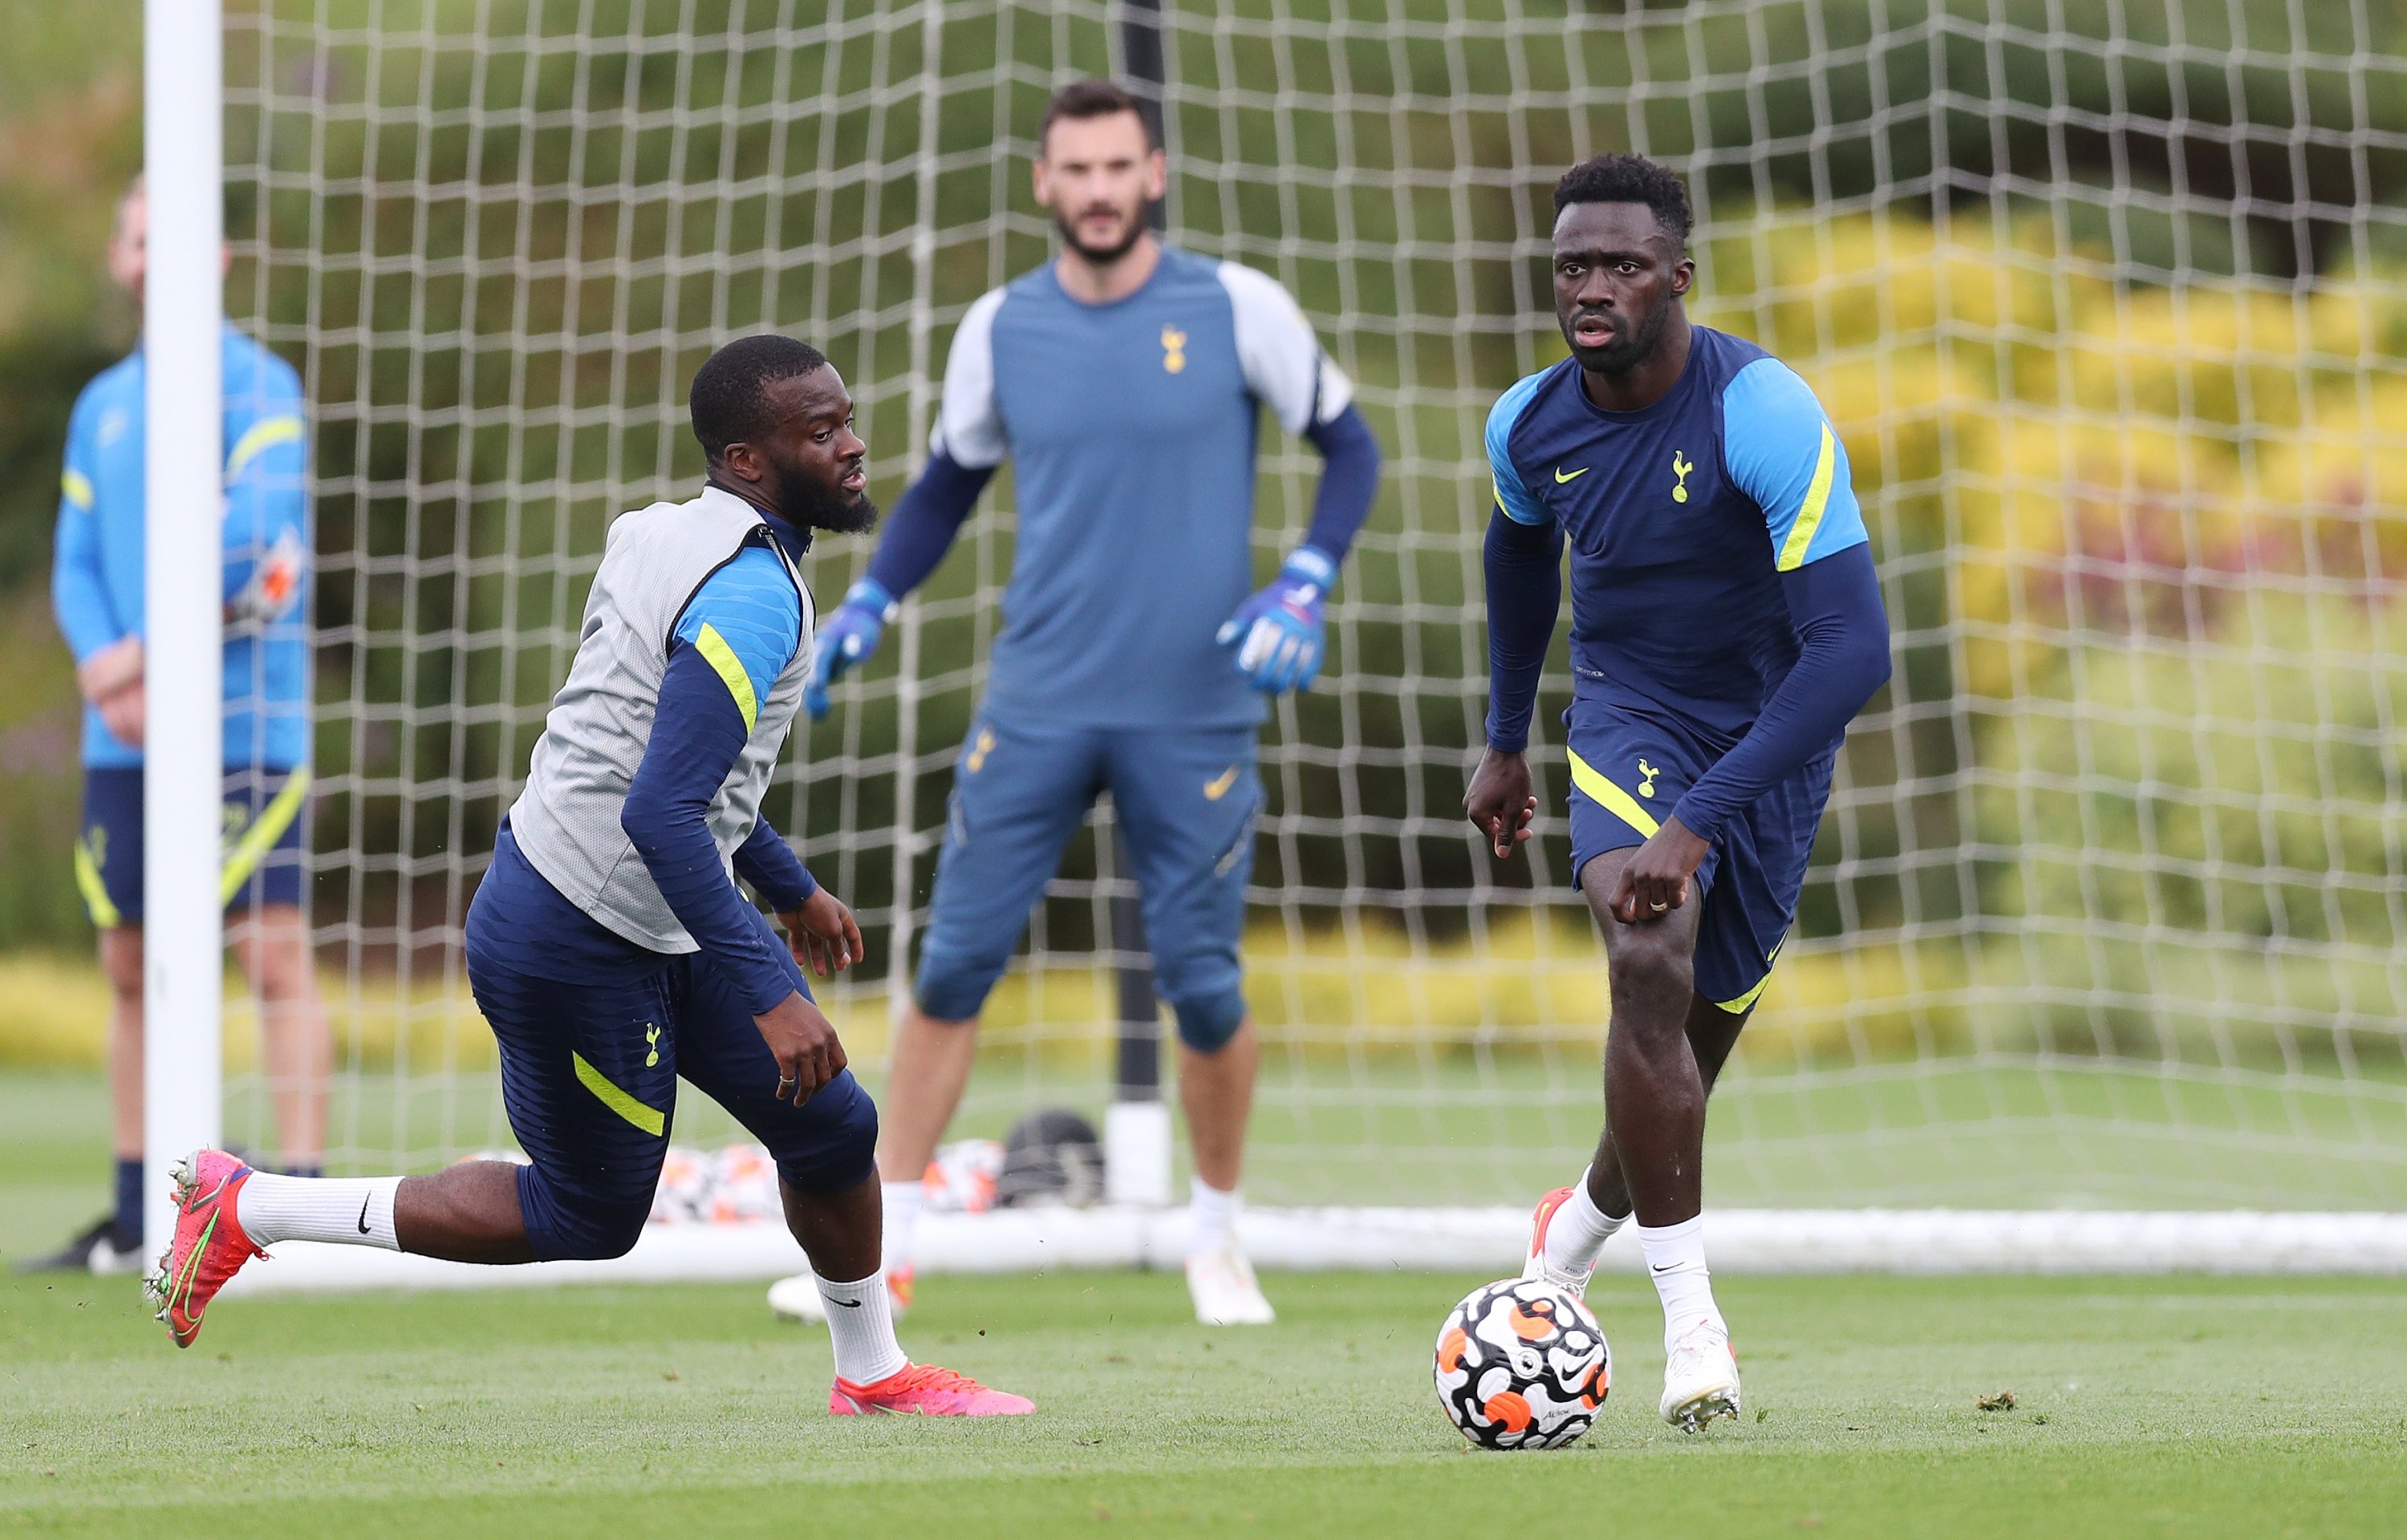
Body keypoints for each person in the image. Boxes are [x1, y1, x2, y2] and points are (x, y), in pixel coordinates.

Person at [146, 335, 1035, 1417]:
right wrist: (768, 991)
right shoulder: (753, 595)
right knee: (589, 1214)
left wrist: (788, 884)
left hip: (639, 904)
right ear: (749, 459)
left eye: (846, 422)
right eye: (823, 432)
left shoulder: (662, 532)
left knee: (833, 1125)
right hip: (573, 933)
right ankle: (255, 1208)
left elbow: (656, 763)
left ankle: (873, 1375)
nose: (853, 448)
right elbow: (659, 811)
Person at [789, 79, 1382, 1329]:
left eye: (1122, 167)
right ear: (1045, 184)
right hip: (1040, 696)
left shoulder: (1238, 306)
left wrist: (1305, 584)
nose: (1101, 190)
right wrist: (866, 605)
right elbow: (946, 487)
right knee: (950, 969)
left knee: (1204, 984)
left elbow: (1352, 446)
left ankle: (1217, 1239)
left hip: (1198, 703)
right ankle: (876, 1255)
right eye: (1079, 170)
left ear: (1154, 173)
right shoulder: (1000, 328)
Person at [1463, 154, 1892, 1431]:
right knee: (1646, 953)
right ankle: (1692, 1331)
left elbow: (1853, 651)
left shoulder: (1760, 409)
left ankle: (1579, 1226)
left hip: (1767, 745)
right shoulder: (1527, 426)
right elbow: (1518, 558)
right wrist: (1506, 737)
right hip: (1626, 714)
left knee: (1694, 1040)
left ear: (1678, 279)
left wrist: (1705, 820)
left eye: (1622, 266)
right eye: (1573, 267)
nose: (1592, 289)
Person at [24, 177, 330, 1275]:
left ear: (223, 258)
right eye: (141, 237)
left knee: (273, 954)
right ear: (121, 258)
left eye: (181, 237)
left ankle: (301, 1204)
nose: (158, 256)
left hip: (248, 723)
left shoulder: (261, 387)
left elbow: (252, 545)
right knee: (129, 962)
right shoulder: (103, 404)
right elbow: (75, 557)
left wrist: (138, 654)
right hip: (128, 730)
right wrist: (110, 676)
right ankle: (130, 1210)